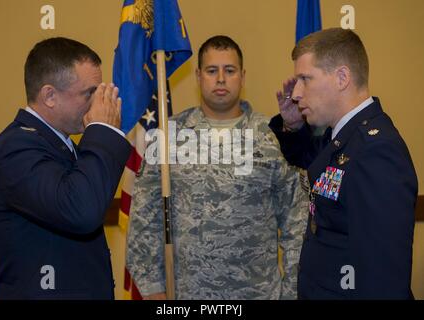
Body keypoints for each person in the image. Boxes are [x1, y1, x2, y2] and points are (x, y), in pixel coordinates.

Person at [126, 35, 308, 300]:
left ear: (242, 77)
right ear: (199, 76)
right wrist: (154, 291)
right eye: (212, 71)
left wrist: (292, 292)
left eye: (229, 70)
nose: (221, 79)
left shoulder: (273, 136)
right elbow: (145, 220)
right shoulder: (168, 136)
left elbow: (297, 223)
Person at [0, 37, 131, 299]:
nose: (98, 103)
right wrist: (103, 131)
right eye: (89, 93)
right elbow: (82, 210)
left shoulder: (58, 145)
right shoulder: (16, 150)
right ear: (49, 96)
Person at [269, 28, 417, 299]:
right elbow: (309, 159)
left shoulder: (376, 150)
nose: (296, 93)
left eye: (305, 79)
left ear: (341, 78)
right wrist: (292, 125)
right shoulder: (341, 136)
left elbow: (382, 277)